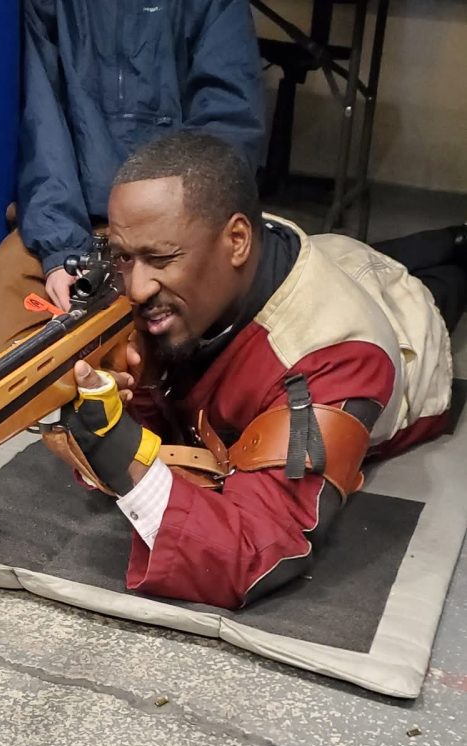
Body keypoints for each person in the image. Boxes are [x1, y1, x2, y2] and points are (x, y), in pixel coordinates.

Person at [43, 131, 466, 609]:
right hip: (329, 252)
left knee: (438, 287)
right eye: (124, 256)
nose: (136, 289)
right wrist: (117, 381)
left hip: (406, 322)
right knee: (362, 252)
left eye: (160, 258)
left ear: (238, 240)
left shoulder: (337, 353)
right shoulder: (200, 260)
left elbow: (258, 550)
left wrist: (117, 447)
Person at [0, 0, 265, 372]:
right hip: (74, 220)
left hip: (178, 230)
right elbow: (42, 128)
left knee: (180, 360)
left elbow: (225, 137)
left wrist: (166, 243)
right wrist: (61, 251)